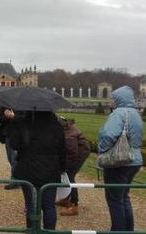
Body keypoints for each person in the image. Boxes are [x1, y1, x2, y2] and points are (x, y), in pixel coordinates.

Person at [6, 110, 66, 230]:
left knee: (31, 206)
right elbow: (62, 150)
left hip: (28, 169)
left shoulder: (25, 124)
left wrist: (15, 124)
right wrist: (62, 169)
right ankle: (49, 231)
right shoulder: (56, 126)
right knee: (49, 207)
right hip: (50, 170)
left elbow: (14, 144)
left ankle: (32, 230)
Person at [98, 86, 143, 231]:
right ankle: (128, 230)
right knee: (124, 197)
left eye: (113, 99)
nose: (112, 101)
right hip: (134, 160)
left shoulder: (118, 113)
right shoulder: (136, 113)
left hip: (119, 160)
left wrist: (103, 150)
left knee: (114, 200)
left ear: (119, 99)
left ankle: (117, 230)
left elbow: (108, 135)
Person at [56, 117, 90, 216]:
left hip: (79, 155)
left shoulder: (68, 135)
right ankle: (66, 199)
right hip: (76, 153)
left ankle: (74, 205)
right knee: (67, 175)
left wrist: (65, 167)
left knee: (69, 177)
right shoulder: (64, 129)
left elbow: (71, 153)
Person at [0, 107, 19, 190]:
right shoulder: (5, 105)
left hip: (17, 136)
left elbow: (23, 120)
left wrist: (13, 116)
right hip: (8, 136)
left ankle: (15, 181)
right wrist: (6, 116)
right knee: (10, 159)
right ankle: (18, 178)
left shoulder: (21, 105)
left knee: (14, 160)